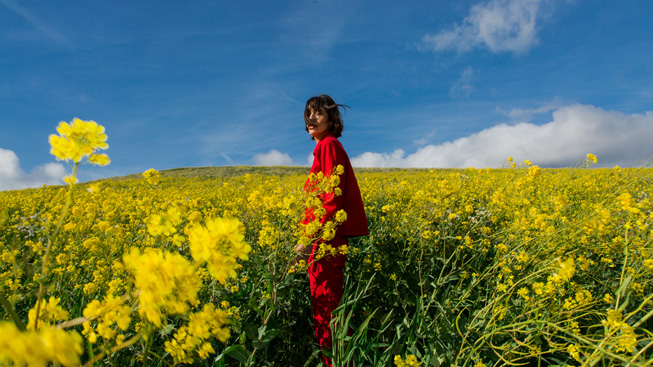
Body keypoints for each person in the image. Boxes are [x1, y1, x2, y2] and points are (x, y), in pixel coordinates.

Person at [296, 95, 369, 366]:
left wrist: (307, 239)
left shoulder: (328, 146)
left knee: (326, 308)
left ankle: (337, 362)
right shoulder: (327, 147)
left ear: (331, 118)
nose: (311, 118)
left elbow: (330, 200)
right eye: (308, 114)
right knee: (328, 306)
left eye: (318, 113)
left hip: (326, 239)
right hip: (326, 237)